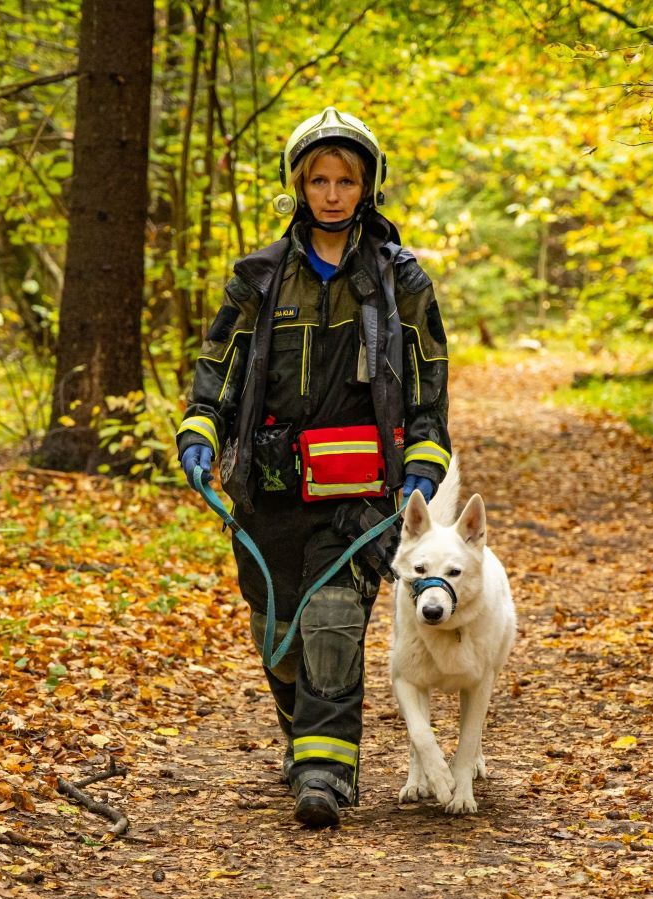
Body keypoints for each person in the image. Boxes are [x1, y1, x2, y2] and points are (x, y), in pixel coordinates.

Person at [175, 107, 452, 829]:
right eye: (319, 180)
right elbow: (217, 368)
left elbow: (429, 380)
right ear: (299, 186)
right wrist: (200, 430)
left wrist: (424, 458)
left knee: (333, 620)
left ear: (368, 187)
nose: (332, 193)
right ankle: (304, 734)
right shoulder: (258, 279)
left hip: (360, 491)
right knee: (282, 635)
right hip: (266, 488)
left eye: (346, 180)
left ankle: (325, 772)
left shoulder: (401, 282)